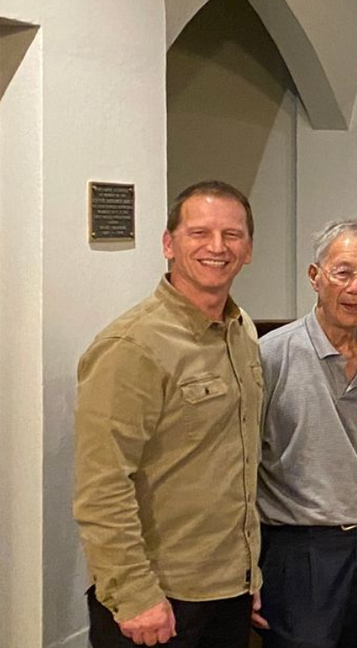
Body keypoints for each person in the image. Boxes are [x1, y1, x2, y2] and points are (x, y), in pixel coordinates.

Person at [74, 181, 265, 647]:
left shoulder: (241, 333)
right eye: (199, 233)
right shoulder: (132, 346)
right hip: (159, 601)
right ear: (168, 244)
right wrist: (135, 594)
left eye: (231, 235)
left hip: (228, 589)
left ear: (248, 250)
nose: (217, 247)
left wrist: (249, 574)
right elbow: (101, 487)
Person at [255, 220, 357, 647]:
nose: (356, 287)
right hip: (297, 550)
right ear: (315, 277)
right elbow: (239, 466)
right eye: (343, 272)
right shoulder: (271, 356)